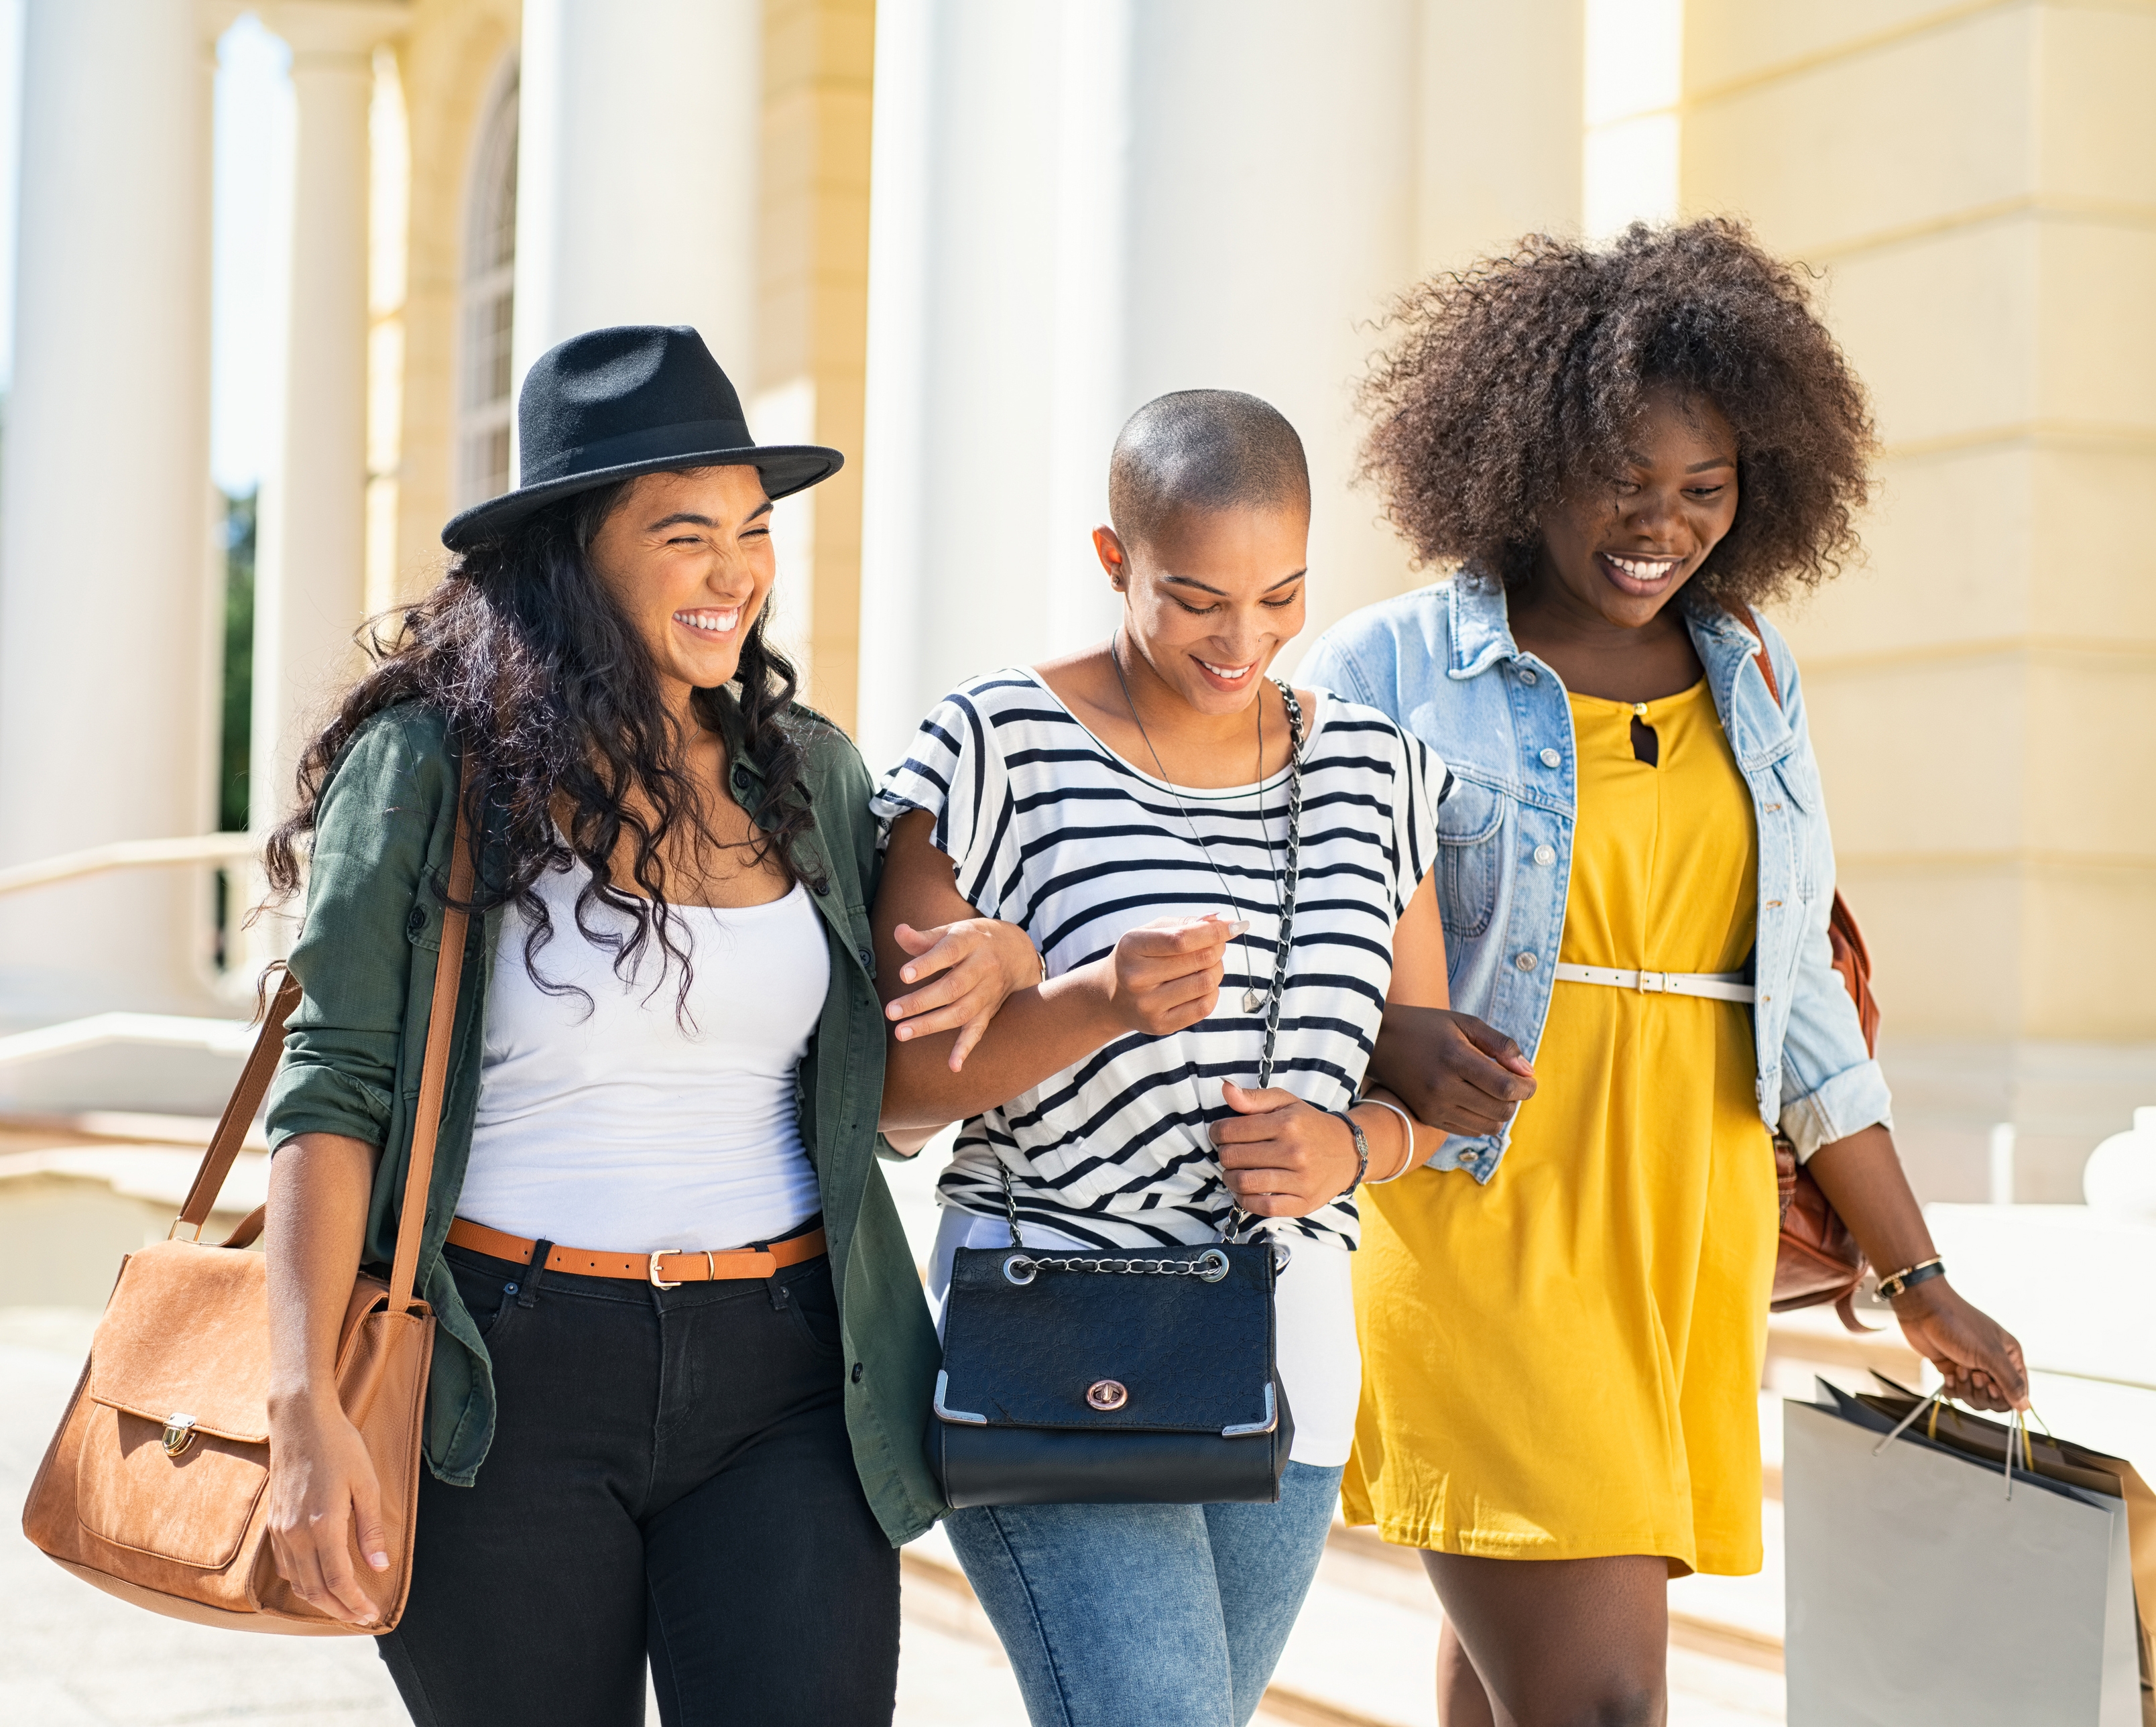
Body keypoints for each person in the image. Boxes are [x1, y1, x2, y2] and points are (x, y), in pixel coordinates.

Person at [1300, 221, 2031, 1727]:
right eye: (1625, 484)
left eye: (1705, 490)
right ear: (1521, 461)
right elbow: (1286, 922)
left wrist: (1921, 1275)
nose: (1665, 525)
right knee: (1605, 1699)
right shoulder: (1386, 668)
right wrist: (1389, 1026)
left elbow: (1805, 1000)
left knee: (1519, 1690)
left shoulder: (1753, 672)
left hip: (1687, 1213)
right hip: (1487, 1201)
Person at [257, 326, 1036, 1727]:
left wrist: (1007, 958)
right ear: (572, 545)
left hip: (791, 1369)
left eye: (755, 528)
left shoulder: (804, 774)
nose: (739, 569)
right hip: (500, 1378)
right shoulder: (431, 767)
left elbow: (901, 1085)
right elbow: (334, 1089)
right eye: (688, 533)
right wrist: (302, 1401)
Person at [872, 390, 1455, 1727]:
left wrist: (1350, 1147)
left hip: (1289, 1350)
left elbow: (1422, 1084)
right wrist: (1095, 998)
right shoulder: (996, 750)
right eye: (1197, 599)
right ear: (1112, 557)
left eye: (1282, 596)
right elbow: (899, 1100)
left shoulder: (1378, 777)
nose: (1242, 638)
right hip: (1053, 1327)